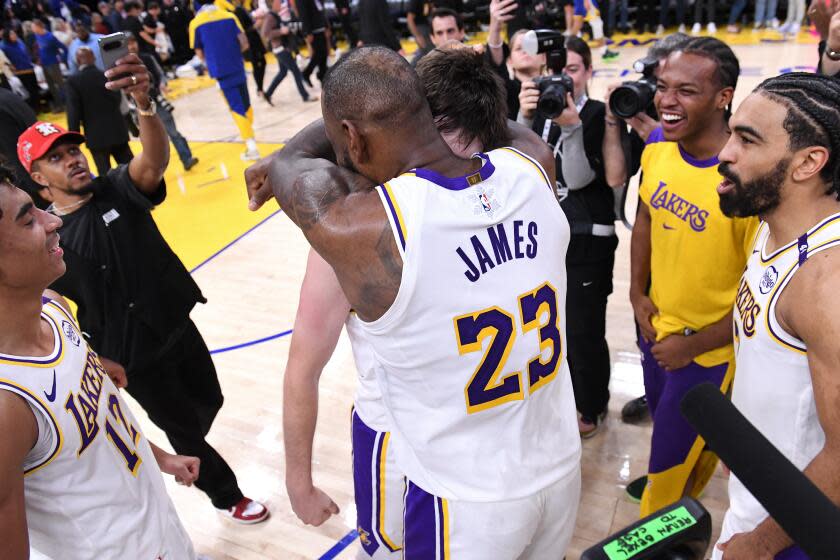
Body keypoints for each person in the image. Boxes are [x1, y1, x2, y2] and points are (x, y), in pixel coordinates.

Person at [264, 46, 581, 559]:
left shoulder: (366, 229)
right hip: (559, 469)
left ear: (350, 135)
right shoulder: (531, 169)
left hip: (466, 501)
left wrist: (355, 114)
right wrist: (405, 97)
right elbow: (506, 128)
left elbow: (288, 165)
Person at [19, 52, 269, 525]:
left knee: (209, 401)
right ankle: (226, 494)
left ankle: (187, 449)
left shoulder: (115, 188)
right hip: (133, 357)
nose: (72, 159)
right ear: (37, 178)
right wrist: (91, 360)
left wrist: (145, 105)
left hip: (176, 323)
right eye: (57, 158)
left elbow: (152, 162)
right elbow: (44, 305)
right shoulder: (46, 240)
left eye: (72, 150)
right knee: (183, 431)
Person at [0, 164, 208, 560]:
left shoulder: (54, 308)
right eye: (28, 220)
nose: (51, 221)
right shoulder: (8, 404)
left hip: (164, 533)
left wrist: (159, 456)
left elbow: (97, 421)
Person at [625, 37, 758, 516]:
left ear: (723, 97)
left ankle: (650, 536)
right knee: (674, 443)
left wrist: (695, 345)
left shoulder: (744, 179)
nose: (665, 100)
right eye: (662, 87)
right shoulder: (658, 149)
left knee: (665, 468)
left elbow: (757, 300)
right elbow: (644, 222)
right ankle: (684, 503)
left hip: (706, 352)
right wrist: (638, 294)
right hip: (656, 332)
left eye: (686, 90)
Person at [712, 73, 840, 559]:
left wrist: (762, 546)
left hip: (794, 531)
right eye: (732, 133)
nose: (725, 153)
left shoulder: (827, 281)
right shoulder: (772, 228)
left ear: (809, 162)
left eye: (747, 140)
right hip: (759, 497)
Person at [518, 36, 623, 438]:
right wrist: (523, 120)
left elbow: (578, 179)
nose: (564, 79)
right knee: (550, 326)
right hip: (545, 237)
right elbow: (519, 165)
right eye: (557, 71)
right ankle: (563, 396)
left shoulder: (599, 114)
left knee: (583, 330)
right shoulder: (541, 110)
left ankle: (591, 404)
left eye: (574, 70)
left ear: (589, 72)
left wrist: (574, 128)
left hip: (588, 240)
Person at [189, 0, 260, 160]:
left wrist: (211, 63)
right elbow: (244, 43)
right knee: (246, 104)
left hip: (220, 72)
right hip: (237, 66)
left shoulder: (195, 23)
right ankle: (251, 138)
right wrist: (233, 55)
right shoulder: (229, 16)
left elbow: (199, 53)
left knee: (236, 108)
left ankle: (251, 146)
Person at [127, 33, 198, 170]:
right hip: (139, 108)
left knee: (173, 132)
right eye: (128, 43)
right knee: (150, 141)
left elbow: (160, 75)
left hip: (157, 101)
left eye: (133, 42)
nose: (132, 46)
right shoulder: (122, 65)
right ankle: (155, 169)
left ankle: (186, 158)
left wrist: (161, 85)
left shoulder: (147, 58)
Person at [65, 46, 133, 176]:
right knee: (130, 171)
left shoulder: (73, 82)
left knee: (105, 175)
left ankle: (114, 196)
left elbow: (74, 111)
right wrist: (131, 126)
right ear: (94, 58)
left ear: (78, 61)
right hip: (118, 130)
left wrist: (73, 139)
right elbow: (120, 101)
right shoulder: (108, 76)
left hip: (95, 137)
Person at [261, 0, 313, 104]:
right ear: (272, 3)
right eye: (278, 2)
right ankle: (305, 96)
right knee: (296, 72)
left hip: (282, 48)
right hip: (280, 49)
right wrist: (281, 31)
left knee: (283, 72)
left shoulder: (275, 15)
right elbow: (264, 33)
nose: (280, 3)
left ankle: (268, 94)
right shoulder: (270, 17)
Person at [232, 0, 267, 99]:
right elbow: (242, 30)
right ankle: (260, 89)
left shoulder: (244, 8)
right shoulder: (238, 11)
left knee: (262, 62)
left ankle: (259, 88)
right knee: (256, 64)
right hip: (251, 42)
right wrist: (256, 25)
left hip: (255, 40)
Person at [31, 18, 67, 112]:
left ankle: (68, 104)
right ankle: (59, 106)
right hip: (44, 65)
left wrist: (62, 58)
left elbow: (63, 48)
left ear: (39, 27)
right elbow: (40, 48)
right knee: (51, 86)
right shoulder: (37, 35)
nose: (32, 29)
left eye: (33, 27)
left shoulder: (50, 37)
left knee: (60, 85)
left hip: (53, 64)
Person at [1, 29, 41, 111]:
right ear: (7, 36)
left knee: (35, 89)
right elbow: (4, 60)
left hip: (29, 68)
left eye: (14, 33)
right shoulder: (4, 46)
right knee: (27, 92)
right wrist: (11, 66)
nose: (14, 35)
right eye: (11, 34)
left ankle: (39, 107)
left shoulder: (19, 41)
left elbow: (26, 52)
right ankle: (32, 110)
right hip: (20, 72)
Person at [297, 0, 329, 86]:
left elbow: (320, 10)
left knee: (324, 53)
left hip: (320, 27)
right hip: (312, 30)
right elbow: (303, 14)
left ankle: (322, 75)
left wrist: (325, 25)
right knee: (318, 54)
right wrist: (308, 32)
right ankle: (307, 73)